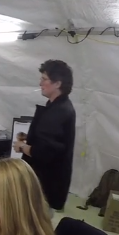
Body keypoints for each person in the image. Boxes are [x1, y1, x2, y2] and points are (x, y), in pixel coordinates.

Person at [14, 59, 76, 215]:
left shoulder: (59, 111)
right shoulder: (57, 106)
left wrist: (21, 146)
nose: (40, 82)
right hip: (47, 181)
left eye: (44, 79)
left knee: (36, 222)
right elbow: (51, 140)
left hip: (45, 182)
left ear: (57, 84)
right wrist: (30, 137)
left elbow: (44, 152)